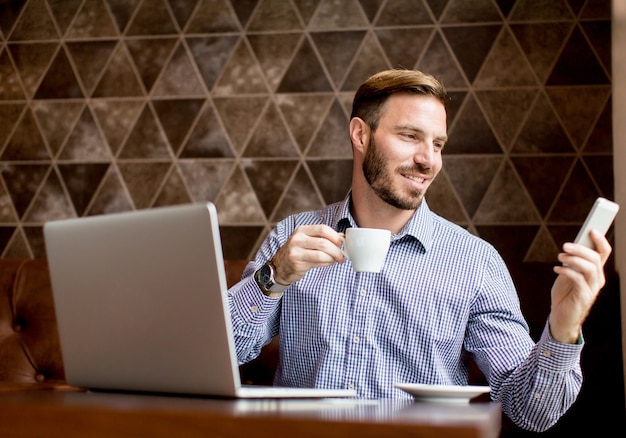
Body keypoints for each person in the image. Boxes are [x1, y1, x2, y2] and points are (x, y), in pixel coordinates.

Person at [226, 69, 612, 432]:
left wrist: (563, 330)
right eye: (410, 136)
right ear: (360, 135)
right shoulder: (292, 238)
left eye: (437, 143)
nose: (428, 160)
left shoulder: (474, 262)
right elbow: (227, 353)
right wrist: (270, 278)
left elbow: (532, 412)